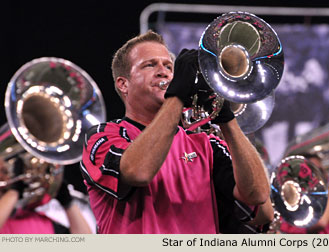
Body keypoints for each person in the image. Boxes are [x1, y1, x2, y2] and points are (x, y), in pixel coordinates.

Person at [80, 30, 272, 234]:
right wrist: (177, 96)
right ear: (123, 84)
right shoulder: (102, 137)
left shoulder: (206, 145)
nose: (163, 72)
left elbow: (260, 203)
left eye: (169, 67)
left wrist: (227, 119)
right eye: (150, 65)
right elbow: (138, 172)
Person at [0, 156, 92, 234]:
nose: (6, 177)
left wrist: (68, 203)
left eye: (5, 172)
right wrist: (14, 192)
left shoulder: (40, 220)